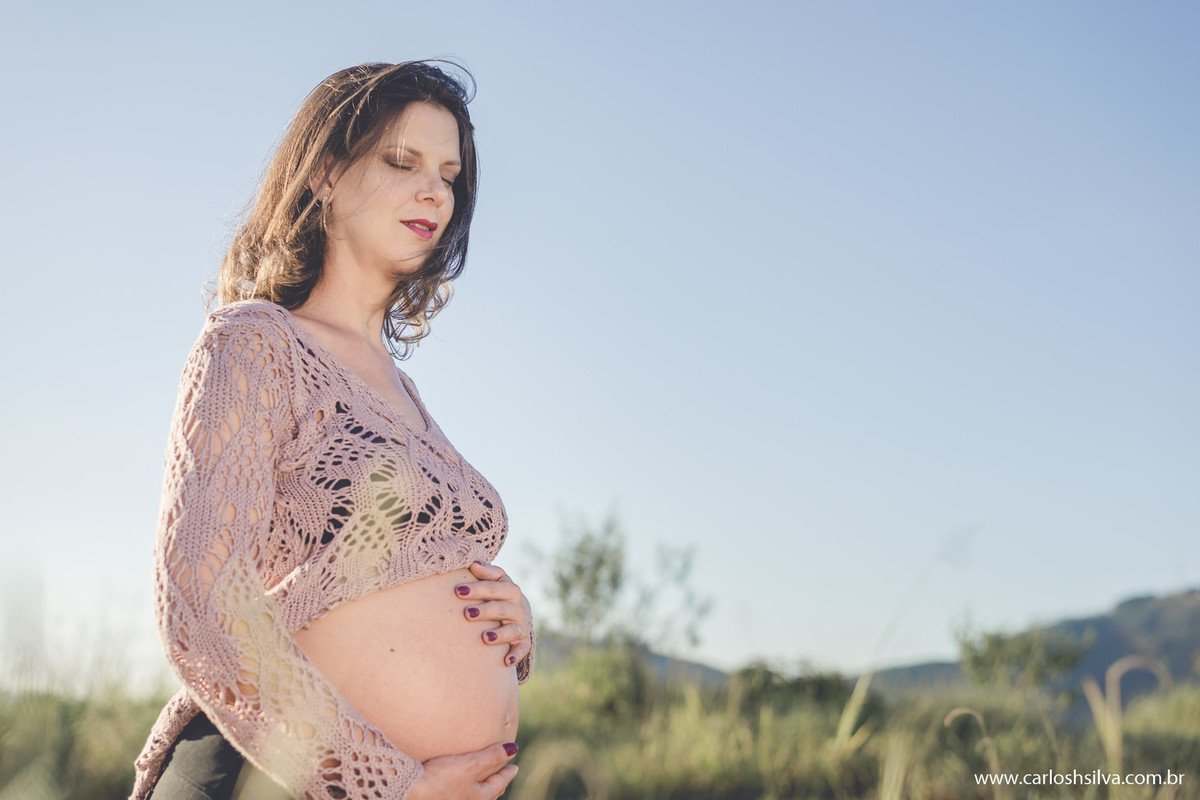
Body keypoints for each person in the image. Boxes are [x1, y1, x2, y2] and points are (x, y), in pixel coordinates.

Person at [130, 61, 534, 800]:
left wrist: (508, 618)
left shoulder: (405, 393)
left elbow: (396, 570)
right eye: (400, 161)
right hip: (272, 777)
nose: (432, 192)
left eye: (449, 175)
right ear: (323, 174)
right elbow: (201, 600)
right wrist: (384, 783)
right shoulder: (256, 343)